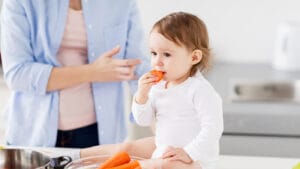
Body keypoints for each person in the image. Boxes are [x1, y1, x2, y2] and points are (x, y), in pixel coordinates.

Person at [81, 12, 223, 169]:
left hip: (195, 161)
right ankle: (76, 159)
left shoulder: (199, 90)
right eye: (154, 53)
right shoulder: (159, 86)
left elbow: (213, 128)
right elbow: (143, 120)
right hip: (166, 154)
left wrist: (189, 152)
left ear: (194, 58)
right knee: (134, 152)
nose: (157, 62)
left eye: (167, 55)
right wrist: (142, 96)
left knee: (152, 165)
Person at [0, 0, 149, 148]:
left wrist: (162, 121)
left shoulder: (123, 3)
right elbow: (17, 73)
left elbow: (140, 68)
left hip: (101, 136)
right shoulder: (20, 2)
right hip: (33, 135)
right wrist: (93, 72)